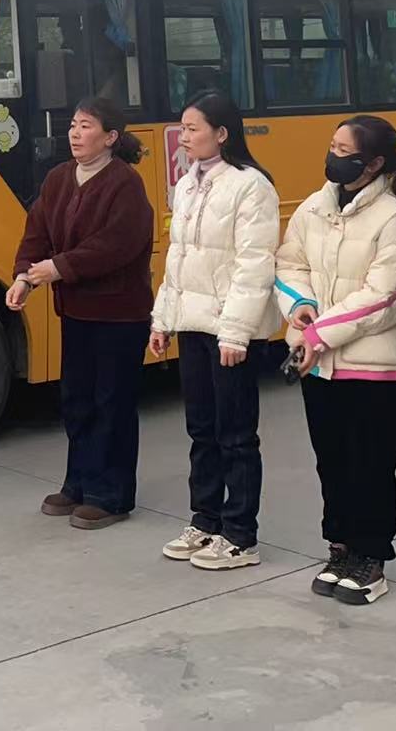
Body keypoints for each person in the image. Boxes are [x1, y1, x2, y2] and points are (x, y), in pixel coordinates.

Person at [274, 115, 396, 606]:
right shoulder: (313, 207)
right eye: (332, 146)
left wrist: (318, 332)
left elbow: (386, 296)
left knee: (371, 464)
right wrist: (299, 306)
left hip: (376, 366)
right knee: (332, 461)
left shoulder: (395, 218)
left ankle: (371, 556)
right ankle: (339, 547)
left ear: (374, 163)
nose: (333, 155)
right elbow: (289, 263)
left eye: (344, 150)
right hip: (320, 363)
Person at [8, 97, 155, 530]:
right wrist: (24, 277)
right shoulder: (58, 178)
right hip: (76, 311)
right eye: (73, 124)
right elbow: (36, 233)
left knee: (112, 402)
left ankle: (112, 494)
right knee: (77, 400)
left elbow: (115, 245)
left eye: (86, 126)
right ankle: (79, 483)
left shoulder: (125, 183)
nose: (74, 133)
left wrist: (59, 268)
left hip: (119, 314)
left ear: (110, 137)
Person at [150, 90, 281, 570]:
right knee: (201, 429)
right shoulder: (188, 184)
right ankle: (204, 520)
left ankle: (240, 535)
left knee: (236, 434)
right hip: (192, 323)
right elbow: (178, 261)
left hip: (230, 331)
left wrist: (236, 332)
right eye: (182, 128)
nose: (183, 137)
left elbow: (254, 264)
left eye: (193, 129)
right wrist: (163, 320)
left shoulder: (251, 186)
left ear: (222, 133)